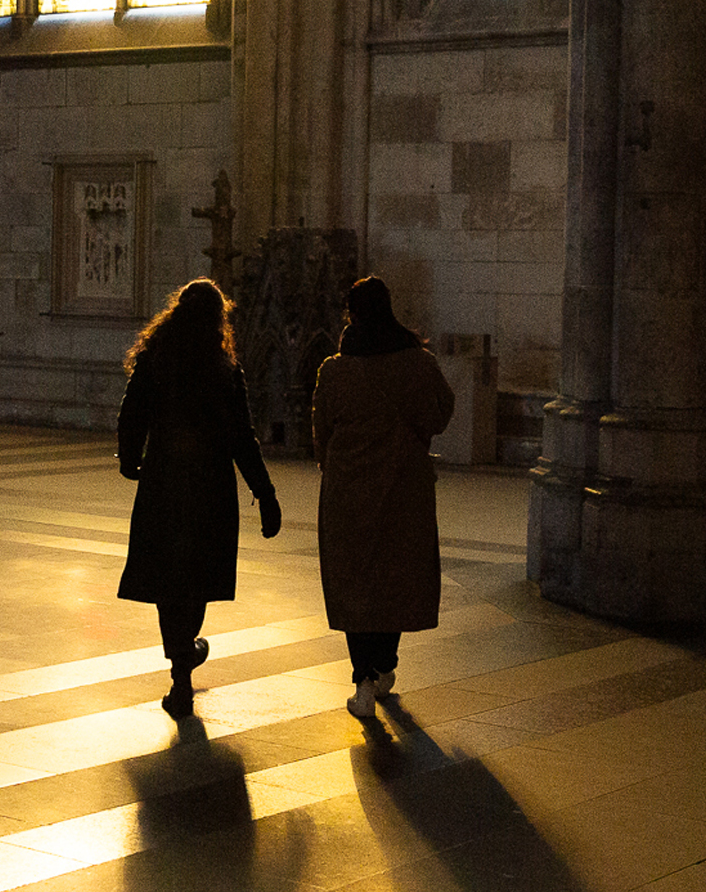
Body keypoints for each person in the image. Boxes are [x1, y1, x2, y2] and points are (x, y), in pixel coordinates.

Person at [117, 279, 281, 710]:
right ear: (216, 321)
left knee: (168, 582)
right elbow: (242, 438)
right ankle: (185, 657)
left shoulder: (154, 360)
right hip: (210, 488)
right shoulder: (223, 370)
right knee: (196, 581)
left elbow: (132, 411)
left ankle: (180, 670)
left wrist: (130, 457)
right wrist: (264, 493)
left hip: (164, 481)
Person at [310, 277, 455, 722]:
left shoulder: (334, 370)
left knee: (354, 581)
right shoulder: (418, 363)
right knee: (394, 576)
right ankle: (384, 664)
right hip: (402, 490)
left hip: (348, 492)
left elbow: (321, 436)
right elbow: (441, 413)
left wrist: (338, 463)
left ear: (351, 313)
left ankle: (363, 682)